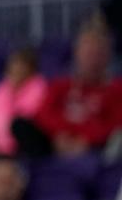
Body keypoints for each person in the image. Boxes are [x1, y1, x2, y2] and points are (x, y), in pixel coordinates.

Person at [16, 24, 122, 157]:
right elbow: (43, 113)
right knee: (20, 125)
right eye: (88, 53)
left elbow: (115, 123)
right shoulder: (61, 85)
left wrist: (85, 139)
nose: (92, 60)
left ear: (107, 57)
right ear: (77, 53)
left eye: (97, 54)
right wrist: (61, 134)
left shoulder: (116, 89)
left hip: (97, 146)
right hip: (58, 141)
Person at [0, 48, 48, 158]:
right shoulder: (0, 90)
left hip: (20, 147)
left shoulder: (39, 88)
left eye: (21, 68)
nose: (16, 72)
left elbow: (22, 122)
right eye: (13, 68)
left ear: (31, 70)